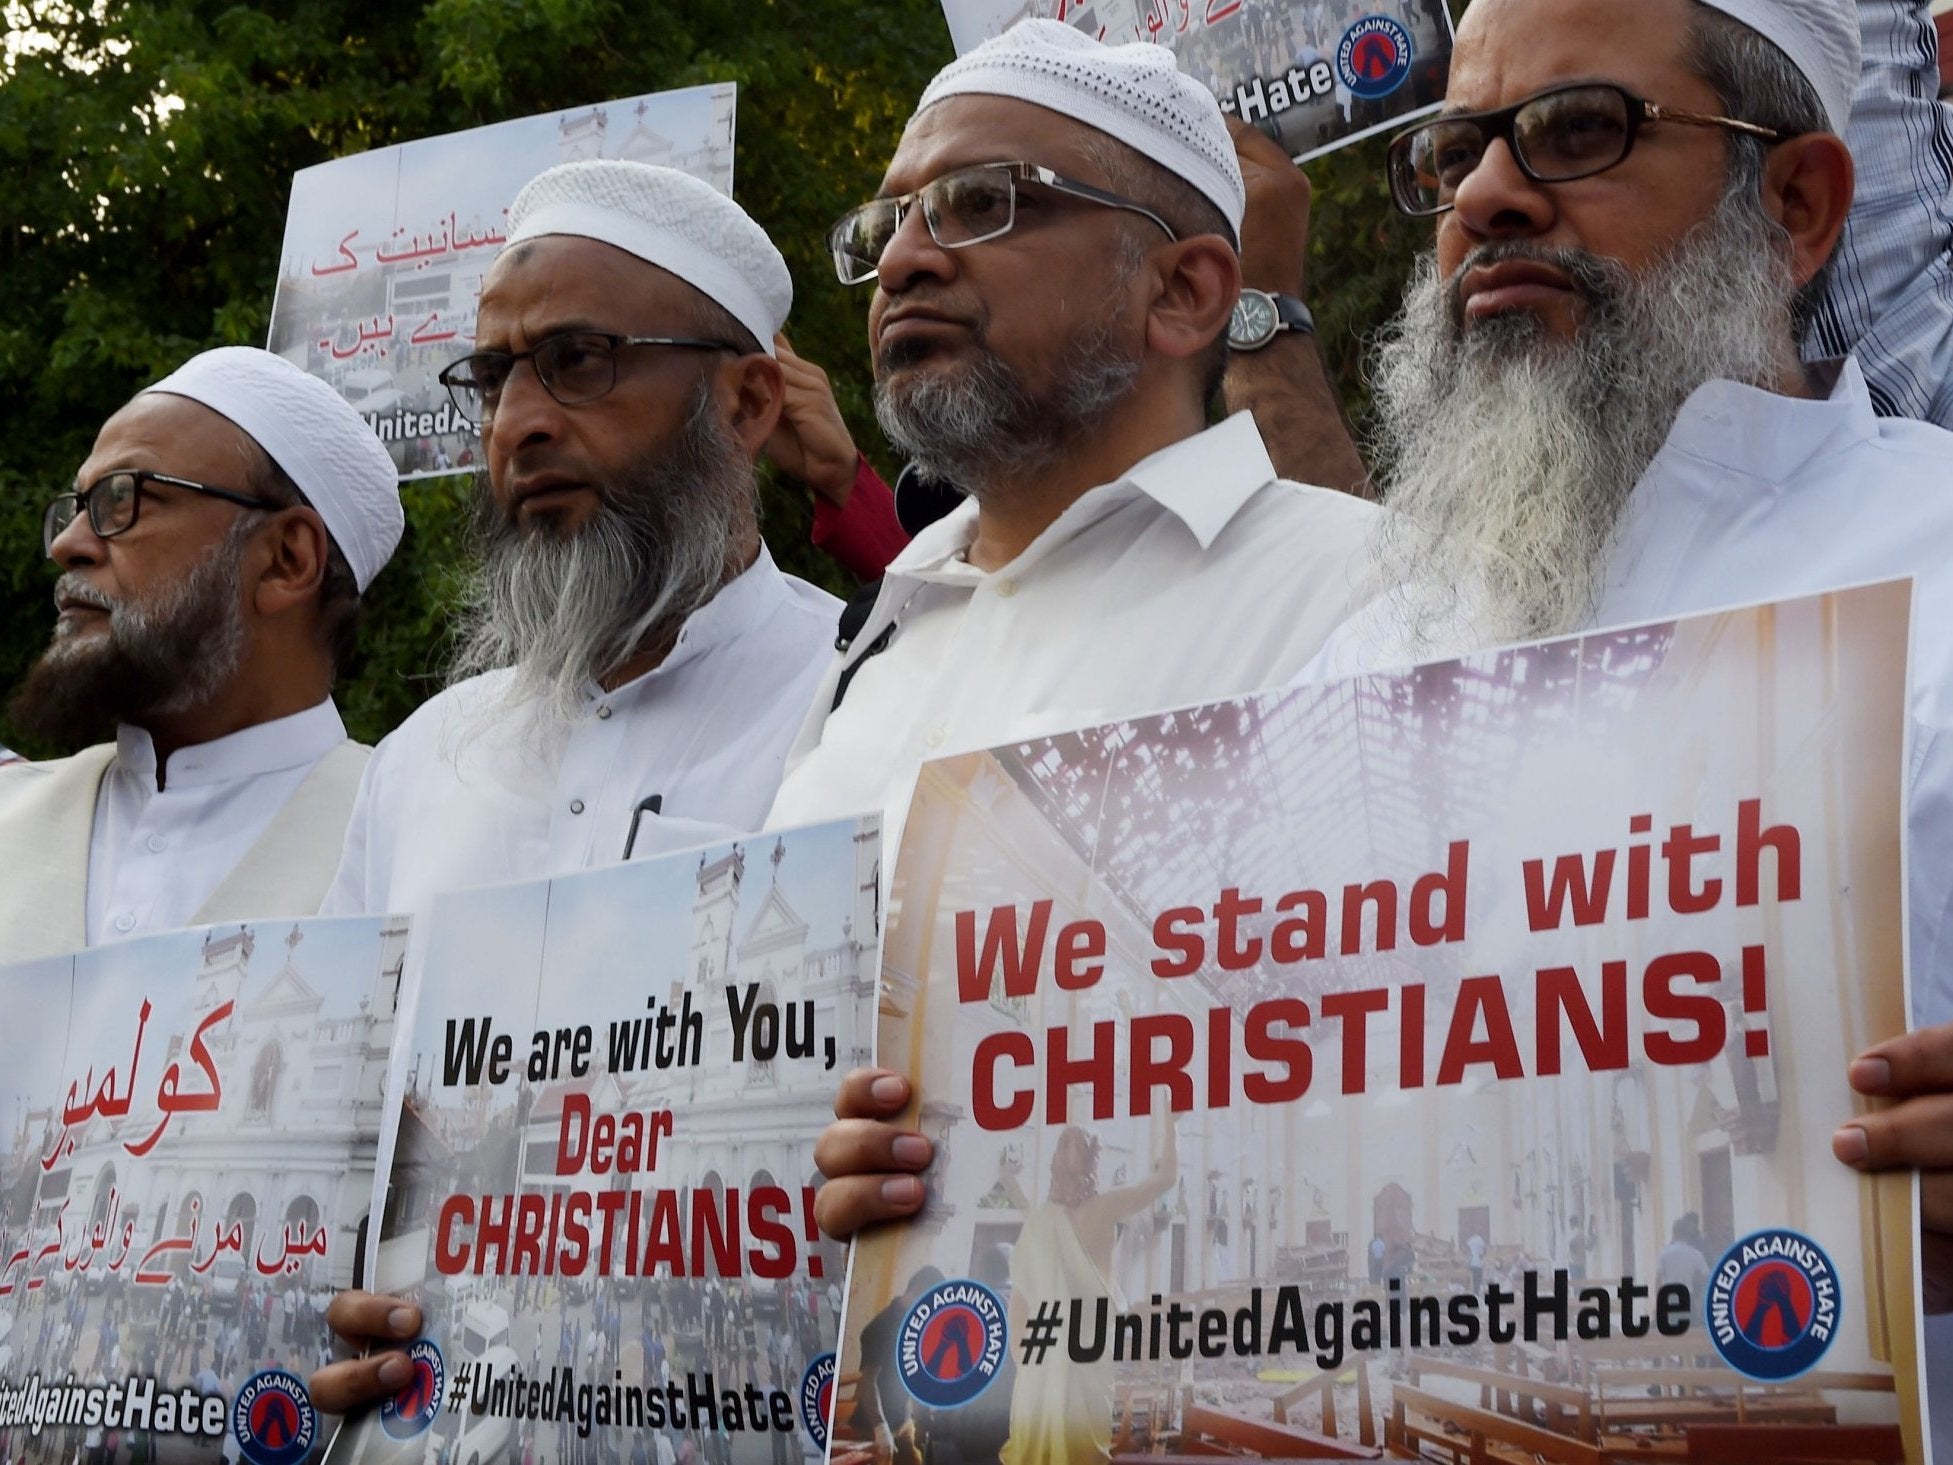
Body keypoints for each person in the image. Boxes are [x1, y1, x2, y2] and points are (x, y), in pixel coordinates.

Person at [812, 0, 1953, 1446]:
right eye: (1454, 151)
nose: (1485, 196)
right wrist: (935, 1166)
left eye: (1575, 131)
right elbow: (1191, 1079)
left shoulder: (1934, 568)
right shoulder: (1377, 647)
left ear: (1794, 203)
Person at [766, 19, 1378, 843]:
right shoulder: (873, 642)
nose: (904, 259)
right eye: (890, 224)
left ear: (1184, 292)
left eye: (981, 200)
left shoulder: (1368, 595)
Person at [322, 161, 838, 924]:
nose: (513, 424)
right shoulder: (417, 761)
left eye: (579, 360)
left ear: (746, 403)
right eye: (493, 378)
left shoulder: (852, 700)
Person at [0, 347, 401, 964]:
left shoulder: (408, 844)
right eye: (76, 509)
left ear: (286, 559)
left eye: (123, 499)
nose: (70, 545)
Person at [1001, 1126, 1176, 1465]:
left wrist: (1027, 1365)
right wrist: (1172, 1123)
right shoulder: (1071, 1215)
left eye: (1071, 1147)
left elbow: (1018, 1314)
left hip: (1061, 1359)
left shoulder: (1046, 1220)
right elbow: (1166, 1176)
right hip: (1063, 1357)